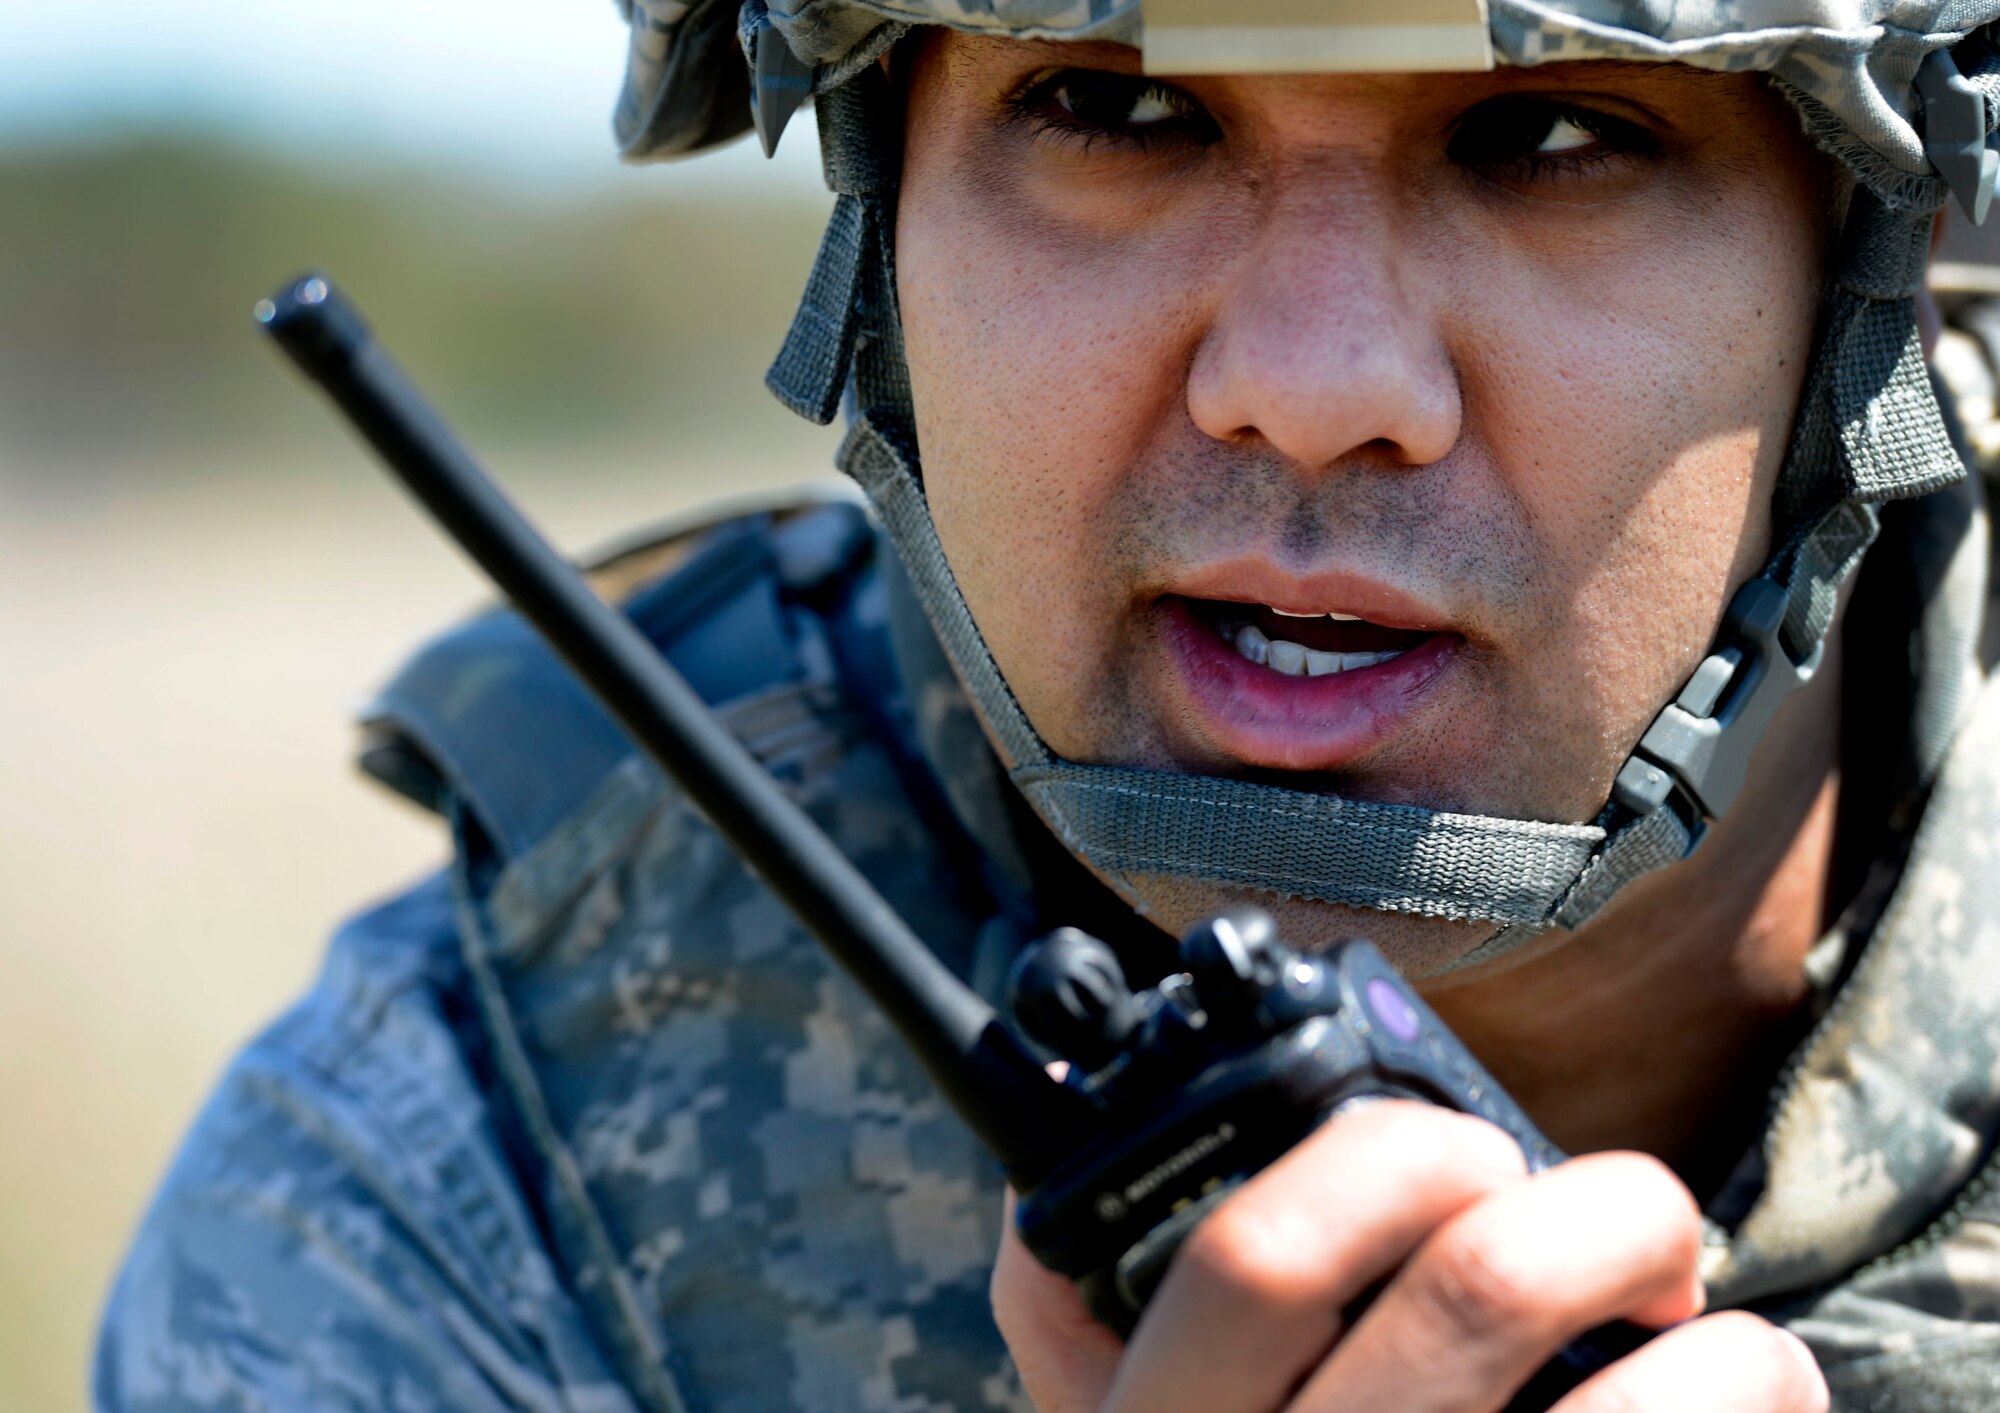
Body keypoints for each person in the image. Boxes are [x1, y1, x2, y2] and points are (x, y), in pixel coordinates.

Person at [94, 0, 2000, 1409]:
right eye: (1115, 106)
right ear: (878, 243)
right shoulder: (465, 1195)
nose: (1311, 384)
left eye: (1557, 135)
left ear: (1880, 263)